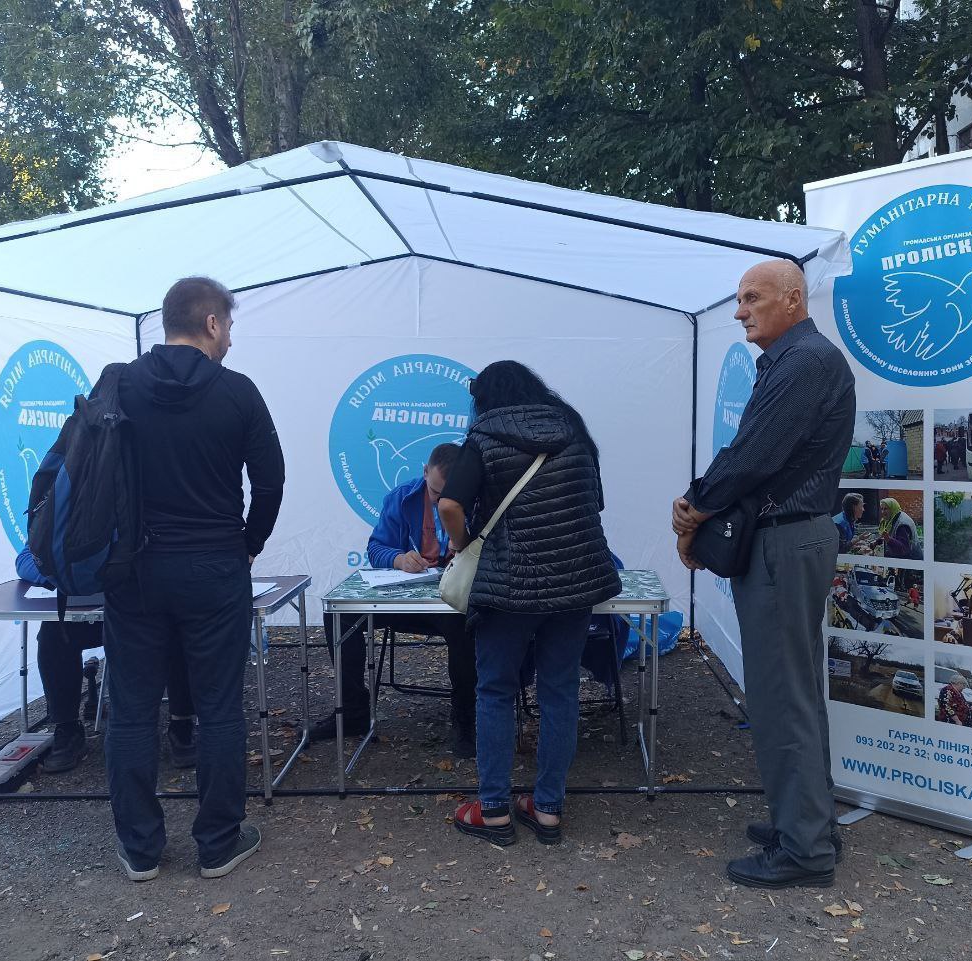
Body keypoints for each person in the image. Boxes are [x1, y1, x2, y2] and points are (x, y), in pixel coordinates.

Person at [672, 259, 855, 889]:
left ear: (794, 299)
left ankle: (804, 848)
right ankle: (807, 822)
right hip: (789, 541)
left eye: (752, 298)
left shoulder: (804, 361)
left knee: (781, 698)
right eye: (739, 298)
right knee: (795, 692)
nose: (740, 310)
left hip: (785, 544)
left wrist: (694, 505)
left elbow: (754, 453)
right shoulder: (796, 359)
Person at [102, 276, 284, 882]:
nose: (230, 338)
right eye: (228, 326)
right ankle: (217, 843)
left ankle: (141, 850)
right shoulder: (238, 393)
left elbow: (85, 472)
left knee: (129, 711)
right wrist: (246, 545)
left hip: (133, 570)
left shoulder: (119, 384)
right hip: (213, 566)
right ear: (210, 324)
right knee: (219, 708)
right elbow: (271, 480)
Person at [437, 360, 620, 848]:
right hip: (577, 579)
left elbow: (450, 505)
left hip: (511, 585)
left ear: (485, 398)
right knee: (560, 690)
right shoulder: (574, 431)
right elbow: (593, 503)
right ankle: (547, 809)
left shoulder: (484, 436)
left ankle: (494, 810)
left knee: (495, 689)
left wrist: (462, 544)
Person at [312, 442, 478, 757]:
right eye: (435, 493)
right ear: (425, 473)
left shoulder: (479, 501)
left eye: (449, 497)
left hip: (454, 600)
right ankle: (353, 712)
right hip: (409, 601)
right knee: (338, 615)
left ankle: (465, 720)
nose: (442, 502)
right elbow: (376, 548)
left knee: (463, 624)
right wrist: (399, 559)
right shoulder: (402, 498)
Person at [15, 548, 197, 773]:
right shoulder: (58, 512)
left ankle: (181, 724)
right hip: (92, 602)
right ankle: (67, 728)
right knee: (53, 634)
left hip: (147, 603)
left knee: (178, 627)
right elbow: (25, 560)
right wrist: (63, 575)